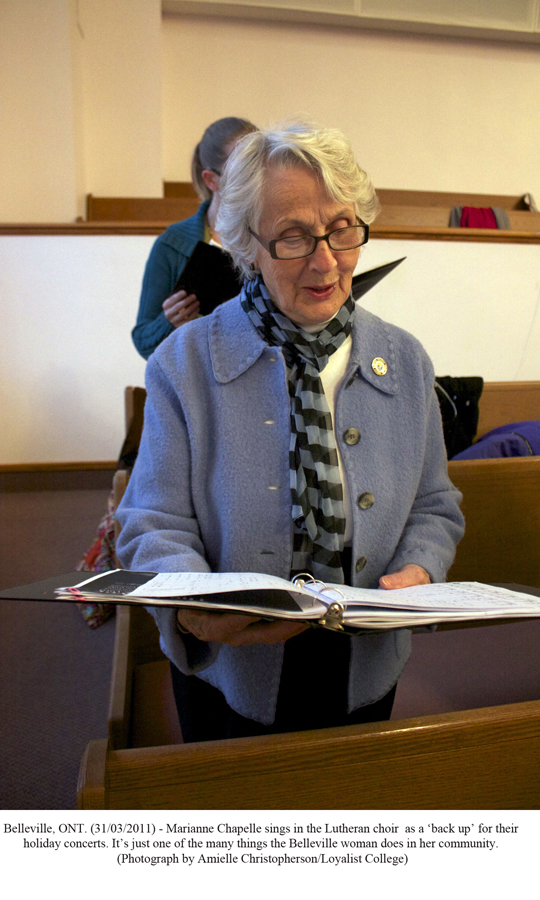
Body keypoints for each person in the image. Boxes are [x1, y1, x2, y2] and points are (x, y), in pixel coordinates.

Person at [117, 120, 464, 742]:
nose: (326, 262)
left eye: (342, 229)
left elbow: (435, 505)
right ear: (245, 244)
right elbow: (151, 521)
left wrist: (421, 566)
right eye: (294, 237)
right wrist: (195, 609)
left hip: (366, 662)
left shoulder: (405, 360)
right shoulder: (183, 363)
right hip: (232, 666)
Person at [132, 116, 257, 359]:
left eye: (259, 166)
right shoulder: (172, 245)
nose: (254, 179)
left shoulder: (273, 237)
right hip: (196, 374)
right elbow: (144, 342)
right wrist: (169, 321)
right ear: (211, 180)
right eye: (242, 171)